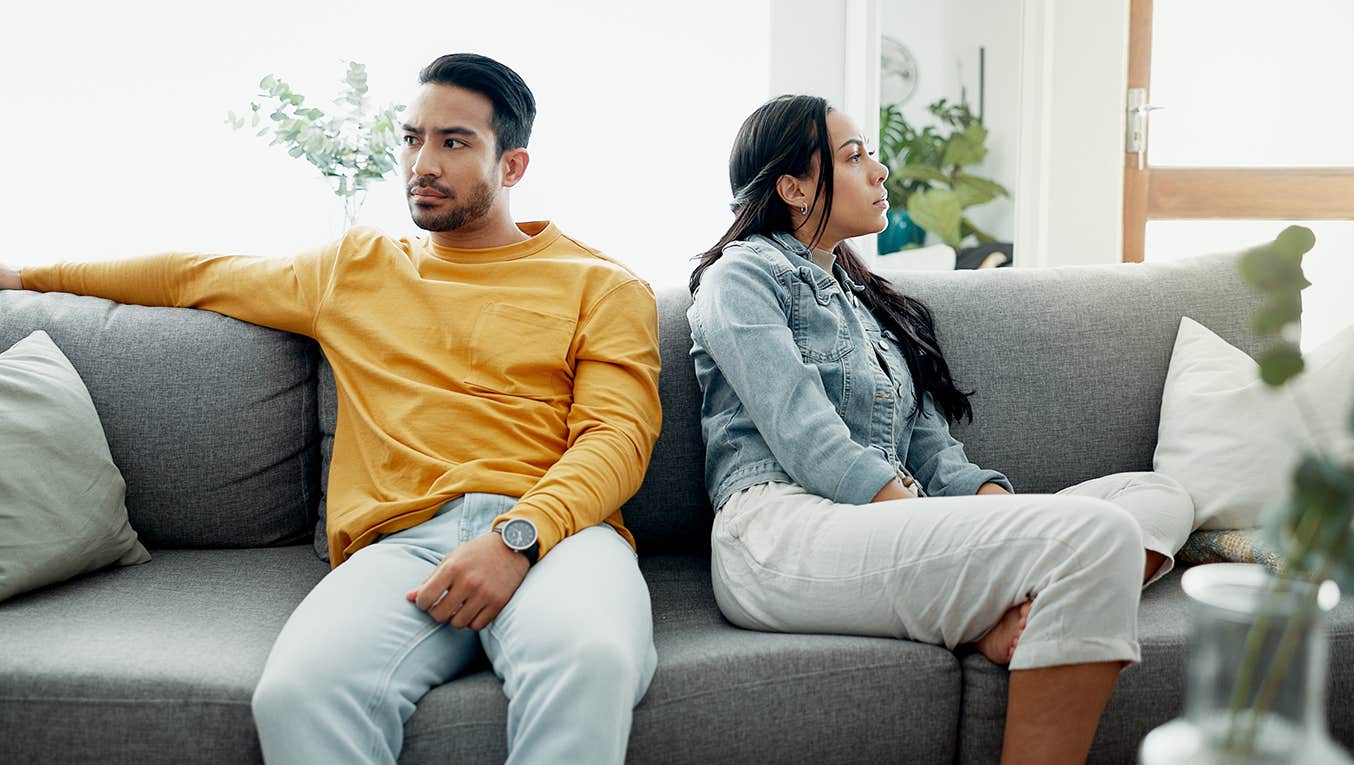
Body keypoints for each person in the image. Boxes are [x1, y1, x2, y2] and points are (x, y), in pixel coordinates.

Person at [0, 53, 661, 764]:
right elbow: (196, 276)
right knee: (297, 694)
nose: (422, 162)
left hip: (556, 534)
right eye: (412, 138)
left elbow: (616, 436)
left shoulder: (603, 284)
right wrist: (25, 276)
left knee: (591, 662)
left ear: (513, 165)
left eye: (454, 141)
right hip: (403, 542)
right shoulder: (355, 268)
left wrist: (516, 536)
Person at [686, 94, 1193, 765]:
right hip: (780, 531)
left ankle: (1020, 603)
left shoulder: (870, 305)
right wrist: (995, 542)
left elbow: (934, 452)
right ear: (793, 186)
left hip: (883, 524)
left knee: (1157, 497)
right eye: (853, 156)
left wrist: (1008, 526)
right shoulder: (741, 276)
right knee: (1099, 536)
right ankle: (1018, 598)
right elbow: (806, 437)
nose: (880, 169)